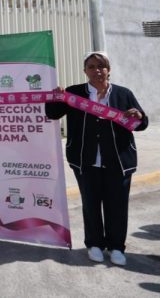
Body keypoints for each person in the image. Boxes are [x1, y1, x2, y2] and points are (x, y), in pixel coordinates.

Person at [45, 51, 148, 266]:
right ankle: (94, 244)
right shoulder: (75, 93)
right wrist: (55, 97)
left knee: (117, 206)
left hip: (119, 160)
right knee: (90, 204)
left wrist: (139, 117)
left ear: (108, 70)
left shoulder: (123, 93)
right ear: (85, 71)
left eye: (101, 66)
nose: (97, 70)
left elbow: (141, 123)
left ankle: (117, 247)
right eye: (91, 66)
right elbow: (53, 114)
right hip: (85, 160)